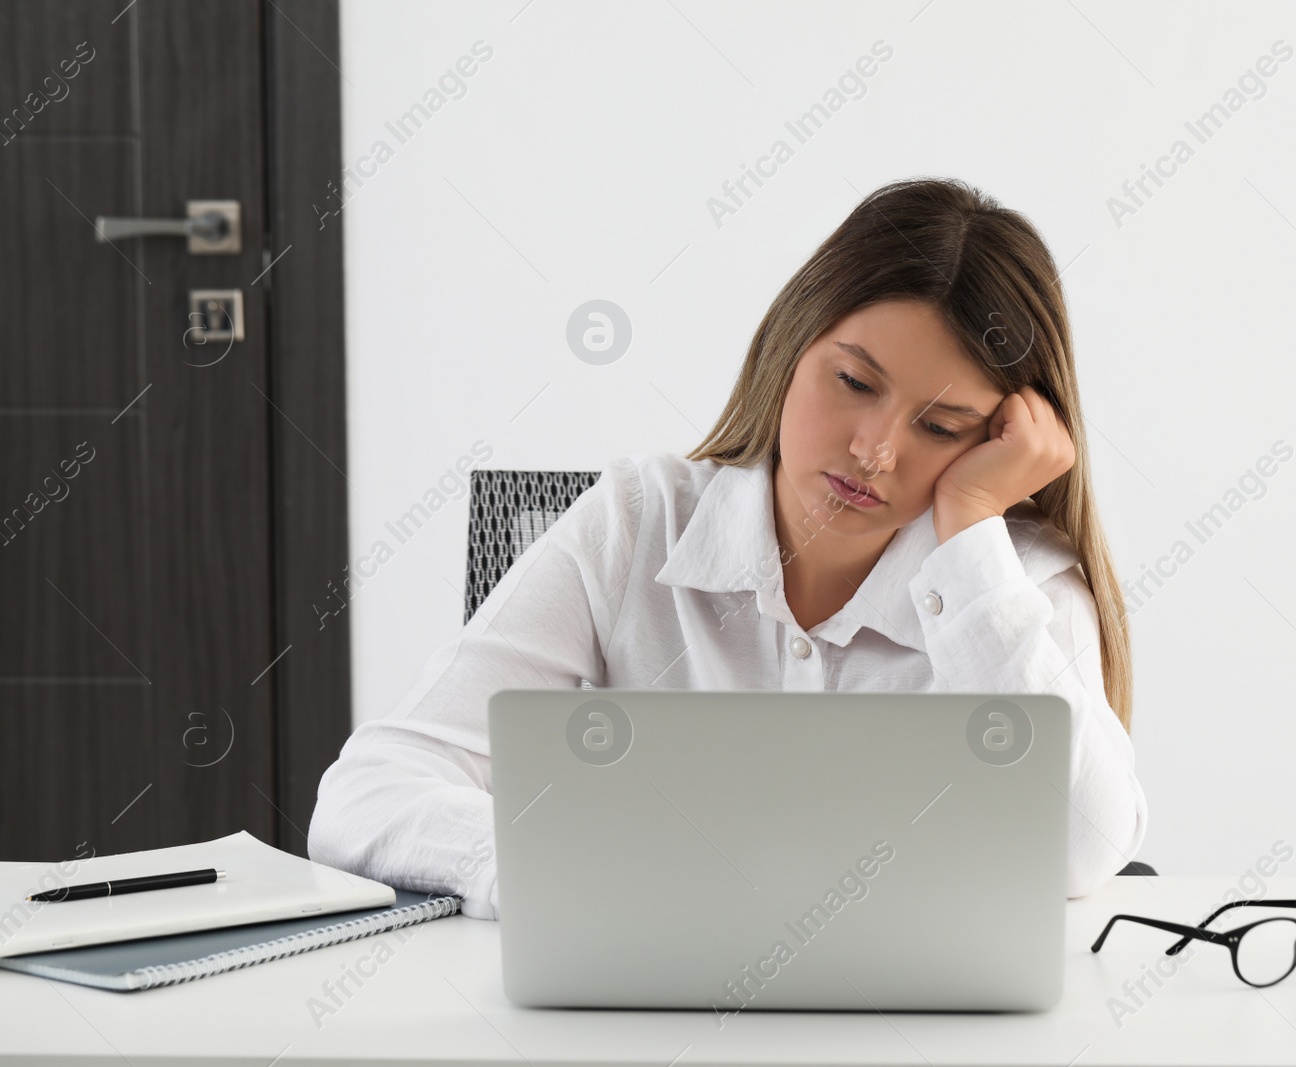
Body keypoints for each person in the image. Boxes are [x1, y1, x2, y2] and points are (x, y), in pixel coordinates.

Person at [308, 176, 1149, 918]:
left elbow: (1083, 849)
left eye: (942, 426)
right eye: (854, 382)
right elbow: (366, 793)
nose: (876, 450)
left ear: (998, 440)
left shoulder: (1014, 585)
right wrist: (569, 869)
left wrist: (971, 528)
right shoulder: (638, 519)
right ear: (792, 347)